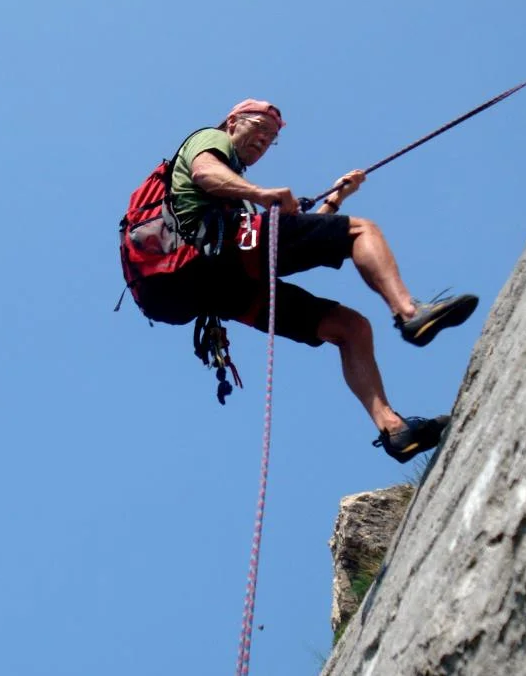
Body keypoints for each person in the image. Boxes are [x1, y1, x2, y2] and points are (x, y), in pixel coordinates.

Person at [131, 99, 478, 463]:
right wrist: (262, 195)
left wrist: (335, 199)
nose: (264, 140)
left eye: (272, 138)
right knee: (362, 231)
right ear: (233, 122)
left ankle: (393, 429)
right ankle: (409, 313)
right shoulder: (209, 140)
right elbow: (204, 173)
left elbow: (285, 248)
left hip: (221, 285)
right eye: (260, 127)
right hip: (218, 255)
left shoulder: (235, 200)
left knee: (351, 327)